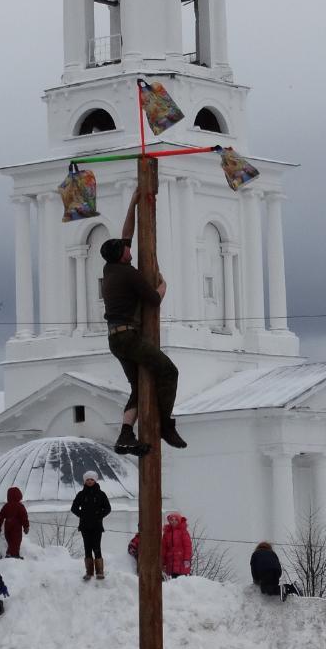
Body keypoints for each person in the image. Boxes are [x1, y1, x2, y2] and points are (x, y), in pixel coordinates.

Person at [101, 191, 183, 453]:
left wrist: (133, 202)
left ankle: (125, 435)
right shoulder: (129, 274)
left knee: (138, 386)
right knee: (169, 371)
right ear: (122, 254)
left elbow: (127, 233)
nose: (129, 248)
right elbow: (153, 300)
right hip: (130, 337)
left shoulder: (110, 268)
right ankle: (166, 426)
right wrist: (164, 284)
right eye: (126, 248)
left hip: (116, 338)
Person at [70, 473, 112, 581]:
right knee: (87, 548)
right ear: (84, 481)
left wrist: (99, 515)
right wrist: (82, 515)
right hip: (84, 526)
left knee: (97, 548)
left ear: (95, 480)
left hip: (97, 526)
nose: (89, 481)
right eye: (87, 479)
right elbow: (74, 508)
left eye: (91, 479)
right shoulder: (81, 494)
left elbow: (108, 508)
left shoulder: (101, 494)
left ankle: (100, 572)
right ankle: (89, 572)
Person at [0, 487, 29, 560]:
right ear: (19, 495)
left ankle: (13, 553)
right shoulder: (20, 506)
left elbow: (1, 516)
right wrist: (26, 527)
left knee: (10, 540)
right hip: (16, 527)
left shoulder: (6, 506)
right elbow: (24, 517)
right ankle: (11, 554)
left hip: (7, 526)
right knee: (16, 541)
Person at [160, 512, 192, 578]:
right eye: (172, 520)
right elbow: (163, 548)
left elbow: (188, 547)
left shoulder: (183, 532)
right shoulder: (166, 533)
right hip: (170, 561)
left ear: (179, 521)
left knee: (180, 581)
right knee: (171, 581)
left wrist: (187, 559)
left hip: (181, 560)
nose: (173, 521)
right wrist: (163, 561)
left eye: (176, 520)